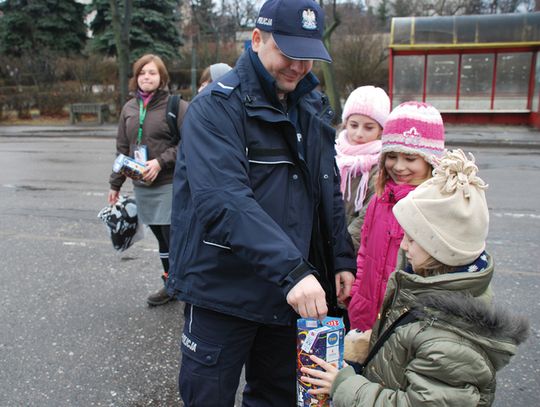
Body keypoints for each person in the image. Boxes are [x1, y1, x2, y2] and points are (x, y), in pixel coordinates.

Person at [166, 0, 356, 405]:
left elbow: (327, 187)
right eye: (288, 52)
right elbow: (225, 201)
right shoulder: (215, 109)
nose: (299, 66)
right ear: (256, 40)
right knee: (207, 397)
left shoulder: (312, 107)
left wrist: (340, 257)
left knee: (277, 396)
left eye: (308, 56)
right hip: (224, 289)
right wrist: (293, 272)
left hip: (287, 291)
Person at [300, 149, 530, 406]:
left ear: (440, 249)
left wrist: (344, 385)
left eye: (412, 238)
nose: (404, 246)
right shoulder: (425, 283)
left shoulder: (449, 344)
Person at [347, 101, 445, 331]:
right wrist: (356, 296)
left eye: (410, 159)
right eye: (391, 156)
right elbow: (364, 253)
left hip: (407, 322)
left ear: (431, 160)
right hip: (366, 314)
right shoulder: (379, 200)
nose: (399, 167)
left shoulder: (436, 206)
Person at [108, 54, 188, 306]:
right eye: (142, 73)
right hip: (142, 186)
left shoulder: (176, 106)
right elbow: (122, 148)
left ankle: (183, 285)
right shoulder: (129, 108)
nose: (146, 77)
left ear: (162, 77)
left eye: (152, 73)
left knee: (174, 238)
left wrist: (160, 161)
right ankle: (171, 283)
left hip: (169, 183)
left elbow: (189, 143)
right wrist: (115, 184)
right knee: (162, 239)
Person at [336, 86, 390, 252]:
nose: (359, 134)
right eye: (354, 125)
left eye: (368, 127)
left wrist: (343, 248)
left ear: (381, 130)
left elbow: (368, 214)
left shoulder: (381, 164)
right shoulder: (333, 152)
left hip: (352, 248)